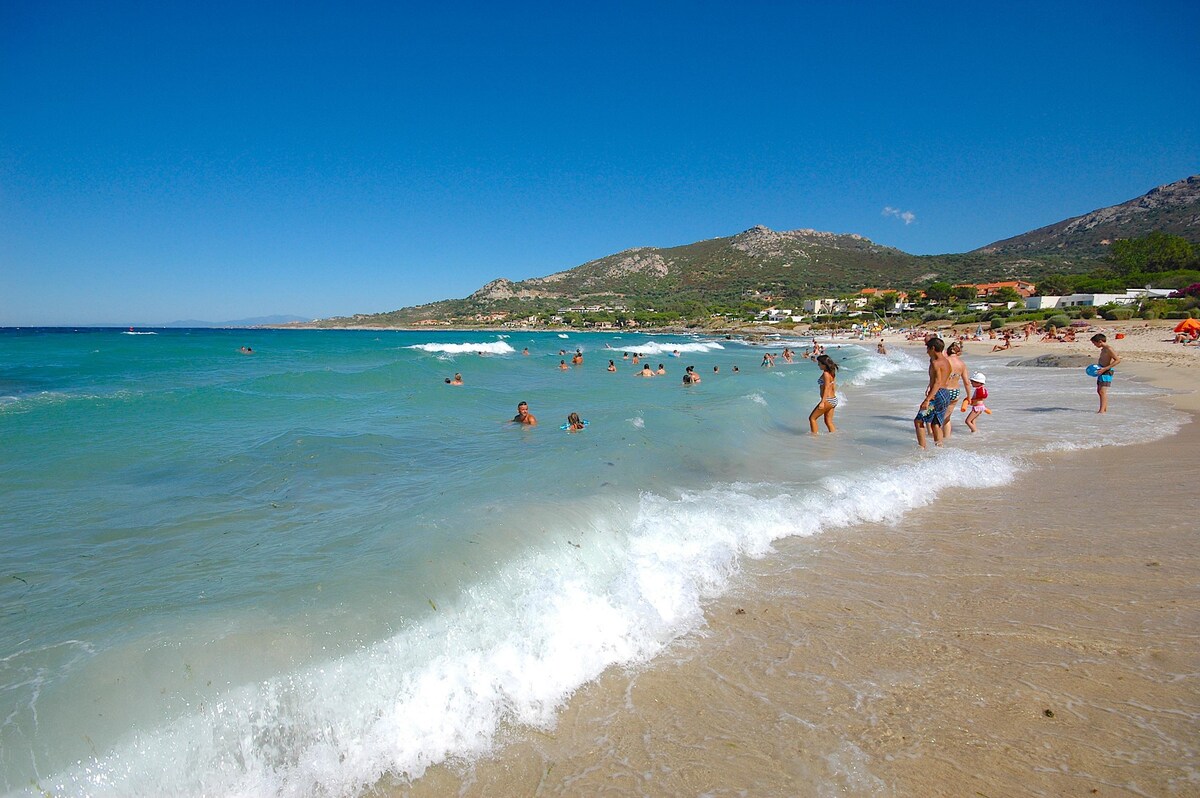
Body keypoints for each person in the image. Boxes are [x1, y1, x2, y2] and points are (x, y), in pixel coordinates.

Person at [914, 336, 952, 449]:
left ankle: (922, 449)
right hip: (945, 394)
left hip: (937, 395)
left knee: (919, 420)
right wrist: (929, 386)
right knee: (936, 424)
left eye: (928, 349)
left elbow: (937, 382)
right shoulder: (945, 361)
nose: (926, 352)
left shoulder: (936, 363)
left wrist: (928, 399)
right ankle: (939, 448)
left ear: (933, 348)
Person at [942, 341, 972, 439]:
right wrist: (969, 396)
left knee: (937, 417)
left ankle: (937, 441)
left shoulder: (944, 361)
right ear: (958, 353)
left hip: (943, 390)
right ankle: (947, 439)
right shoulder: (961, 364)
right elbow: (966, 382)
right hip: (955, 391)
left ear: (947, 351)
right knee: (947, 418)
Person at [808, 354, 839, 434]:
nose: (818, 365)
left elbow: (826, 388)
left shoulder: (826, 374)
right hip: (833, 399)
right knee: (828, 421)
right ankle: (834, 437)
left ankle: (814, 438)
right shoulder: (831, 372)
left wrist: (822, 402)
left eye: (819, 363)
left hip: (827, 400)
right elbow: (833, 385)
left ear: (824, 364)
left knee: (812, 418)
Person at [1092, 333, 1120, 413]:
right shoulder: (1103, 349)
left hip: (1106, 371)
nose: (1094, 345)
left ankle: (1101, 411)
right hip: (1101, 370)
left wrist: (1105, 368)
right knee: (1099, 391)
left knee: (1102, 391)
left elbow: (1117, 360)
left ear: (1100, 341)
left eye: (1095, 343)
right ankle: (1104, 409)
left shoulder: (1109, 349)